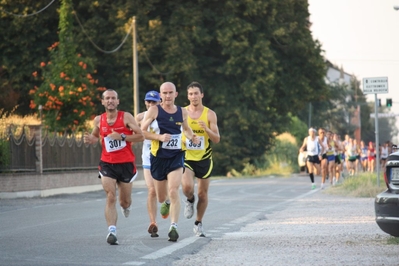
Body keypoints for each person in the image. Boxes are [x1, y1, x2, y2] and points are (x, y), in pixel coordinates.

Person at [83, 89, 144, 245]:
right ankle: (112, 231)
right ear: (102, 102)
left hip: (125, 164)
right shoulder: (98, 120)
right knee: (111, 195)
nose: (110, 101)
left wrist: (122, 136)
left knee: (124, 202)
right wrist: (91, 139)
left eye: (113, 98)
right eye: (107, 98)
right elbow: (96, 136)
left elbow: (140, 136)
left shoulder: (126, 117)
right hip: (107, 163)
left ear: (118, 101)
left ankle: (125, 206)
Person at [140, 82, 199, 242]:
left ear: (176, 94)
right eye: (164, 93)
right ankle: (165, 201)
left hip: (176, 156)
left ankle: (174, 226)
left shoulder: (182, 112)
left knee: (173, 190)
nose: (167, 96)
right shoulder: (154, 110)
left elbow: (186, 129)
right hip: (158, 157)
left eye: (170, 92)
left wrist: (191, 136)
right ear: (160, 95)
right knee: (160, 197)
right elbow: (142, 132)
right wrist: (159, 137)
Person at [181, 82, 220, 237]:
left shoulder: (210, 114)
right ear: (188, 96)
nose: (193, 97)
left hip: (204, 158)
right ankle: (190, 200)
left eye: (196, 93)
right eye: (190, 94)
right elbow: (176, 132)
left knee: (203, 194)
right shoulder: (182, 112)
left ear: (202, 95)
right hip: (187, 156)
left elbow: (217, 139)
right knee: (187, 187)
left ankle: (198, 223)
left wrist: (207, 129)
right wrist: (182, 140)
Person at [135, 90, 161, 237]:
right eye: (149, 102)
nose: (151, 105)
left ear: (159, 102)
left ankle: (167, 202)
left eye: (154, 102)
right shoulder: (139, 117)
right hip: (148, 157)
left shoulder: (164, 115)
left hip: (163, 157)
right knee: (151, 190)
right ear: (145, 102)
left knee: (164, 191)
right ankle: (153, 222)